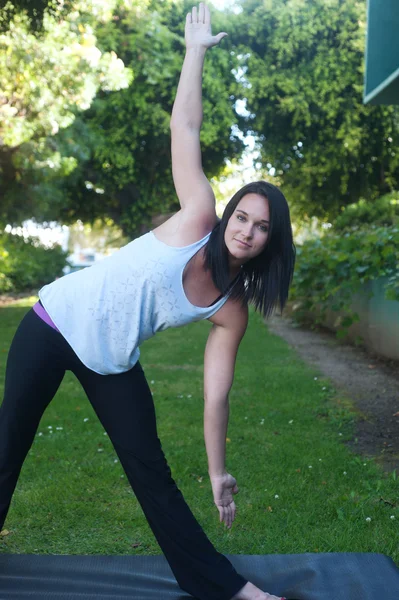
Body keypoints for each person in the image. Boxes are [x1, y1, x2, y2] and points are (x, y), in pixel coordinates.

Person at [0, 3, 295, 600]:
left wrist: (218, 472)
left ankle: (228, 590)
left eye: (262, 227)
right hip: (53, 323)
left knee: (152, 475)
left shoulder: (230, 309)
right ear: (230, 213)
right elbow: (184, 130)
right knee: (8, 446)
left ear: (271, 242)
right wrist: (196, 54)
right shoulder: (198, 218)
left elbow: (217, 395)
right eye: (244, 216)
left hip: (110, 360)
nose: (246, 230)